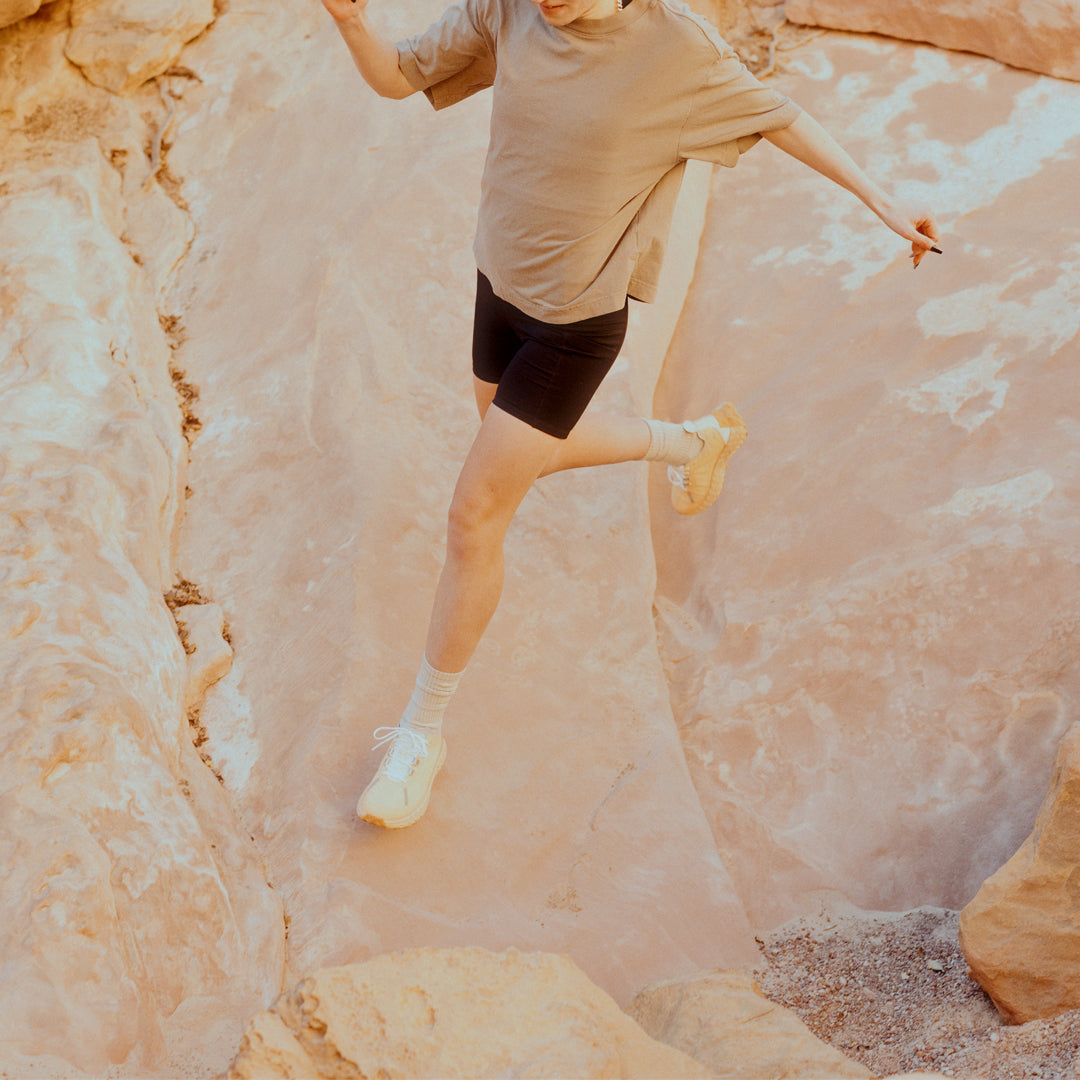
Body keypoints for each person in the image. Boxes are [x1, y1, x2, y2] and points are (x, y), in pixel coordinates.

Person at [320, 0, 939, 829]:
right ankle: (690, 443)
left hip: (574, 325)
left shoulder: (674, 47)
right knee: (520, 453)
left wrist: (883, 203)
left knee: (475, 515)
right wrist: (351, 22)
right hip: (497, 286)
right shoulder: (512, 9)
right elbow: (400, 78)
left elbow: (782, 117)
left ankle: (421, 735)